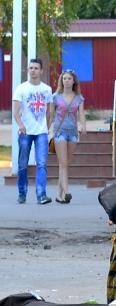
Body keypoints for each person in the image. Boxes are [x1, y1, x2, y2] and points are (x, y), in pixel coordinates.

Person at [12, 58, 52, 205]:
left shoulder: (46, 89)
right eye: (31, 68)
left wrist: (47, 127)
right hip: (25, 132)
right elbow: (16, 111)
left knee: (41, 163)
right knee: (23, 164)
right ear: (28, 70)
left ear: (41, 71)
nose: (33, 70)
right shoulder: (21, 88)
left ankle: (41, 194)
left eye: (36, 68)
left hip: (41, 132)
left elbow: (48, 111)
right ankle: (22, 192)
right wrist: (20, 125)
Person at [48, 70, 87, 204]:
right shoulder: (55, 97)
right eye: (64, 78)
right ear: (61, 81)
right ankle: (67, 191)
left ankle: (59, 195)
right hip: (60, 132)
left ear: (74, 81)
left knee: (66, 165)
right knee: (63, 164)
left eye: (69, 78)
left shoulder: (79, 98)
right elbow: (51, 115)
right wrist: (47, 129)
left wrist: (83, 126)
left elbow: (81, 114)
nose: (66, 81)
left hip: (73, 133)